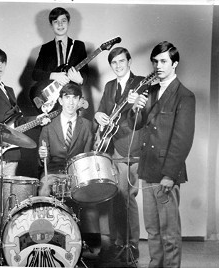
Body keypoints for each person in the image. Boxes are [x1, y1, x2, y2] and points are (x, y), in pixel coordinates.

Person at [0, 47, 49, 263]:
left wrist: (39, 118)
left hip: (11, 154)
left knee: (6, 201)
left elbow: (18, 123)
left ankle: (2, 243)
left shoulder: (11, 91)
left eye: (2, 62)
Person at [38, 82, 120, 267]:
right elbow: (42, 162)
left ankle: (92, 247)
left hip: (77, 173)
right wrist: (41, 154)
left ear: (79, 101)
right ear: (60, 100)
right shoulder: (48, 126)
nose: (71, 102)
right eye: (67, 98)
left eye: (75, 98)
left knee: (90, 198)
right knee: (44, 189)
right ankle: (45, 240)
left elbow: (87, 156)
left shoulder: (87, 126)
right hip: (53, 172)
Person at [129, 41, 196, 268]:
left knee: (169, 234)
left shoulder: (184, 96)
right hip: (147, 170)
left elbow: (182, 140)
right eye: (155, 61)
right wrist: (135, 109)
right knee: (153, 232)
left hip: (166, 173)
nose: (158, 65)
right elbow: (138, 125)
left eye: (163, 61)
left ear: (174, 64)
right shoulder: (151, 92)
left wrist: (169, 174)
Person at [94, 47, 145, 262]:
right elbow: (103, 110)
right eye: (113, 62)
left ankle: (131, 245)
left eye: (121, 61)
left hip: (131, 148)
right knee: (116, 198)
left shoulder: (142, 83)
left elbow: (143, 118)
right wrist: (98, 115)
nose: (118, 66)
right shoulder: (110, 86)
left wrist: (136, 106)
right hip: (112, 148)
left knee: (127, 198)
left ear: (129, 61)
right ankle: (118, 243)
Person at [31, 7, 88, 109]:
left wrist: (80, 80)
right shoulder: (46, 48)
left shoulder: (78, 46)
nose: (60, 24)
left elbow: (86, 73)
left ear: (68, 23)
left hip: (71, 98)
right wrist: (54, 75)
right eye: (56, 22)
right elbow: (35, 74)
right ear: (51, 25)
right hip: (51, 100)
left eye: (63, 21)